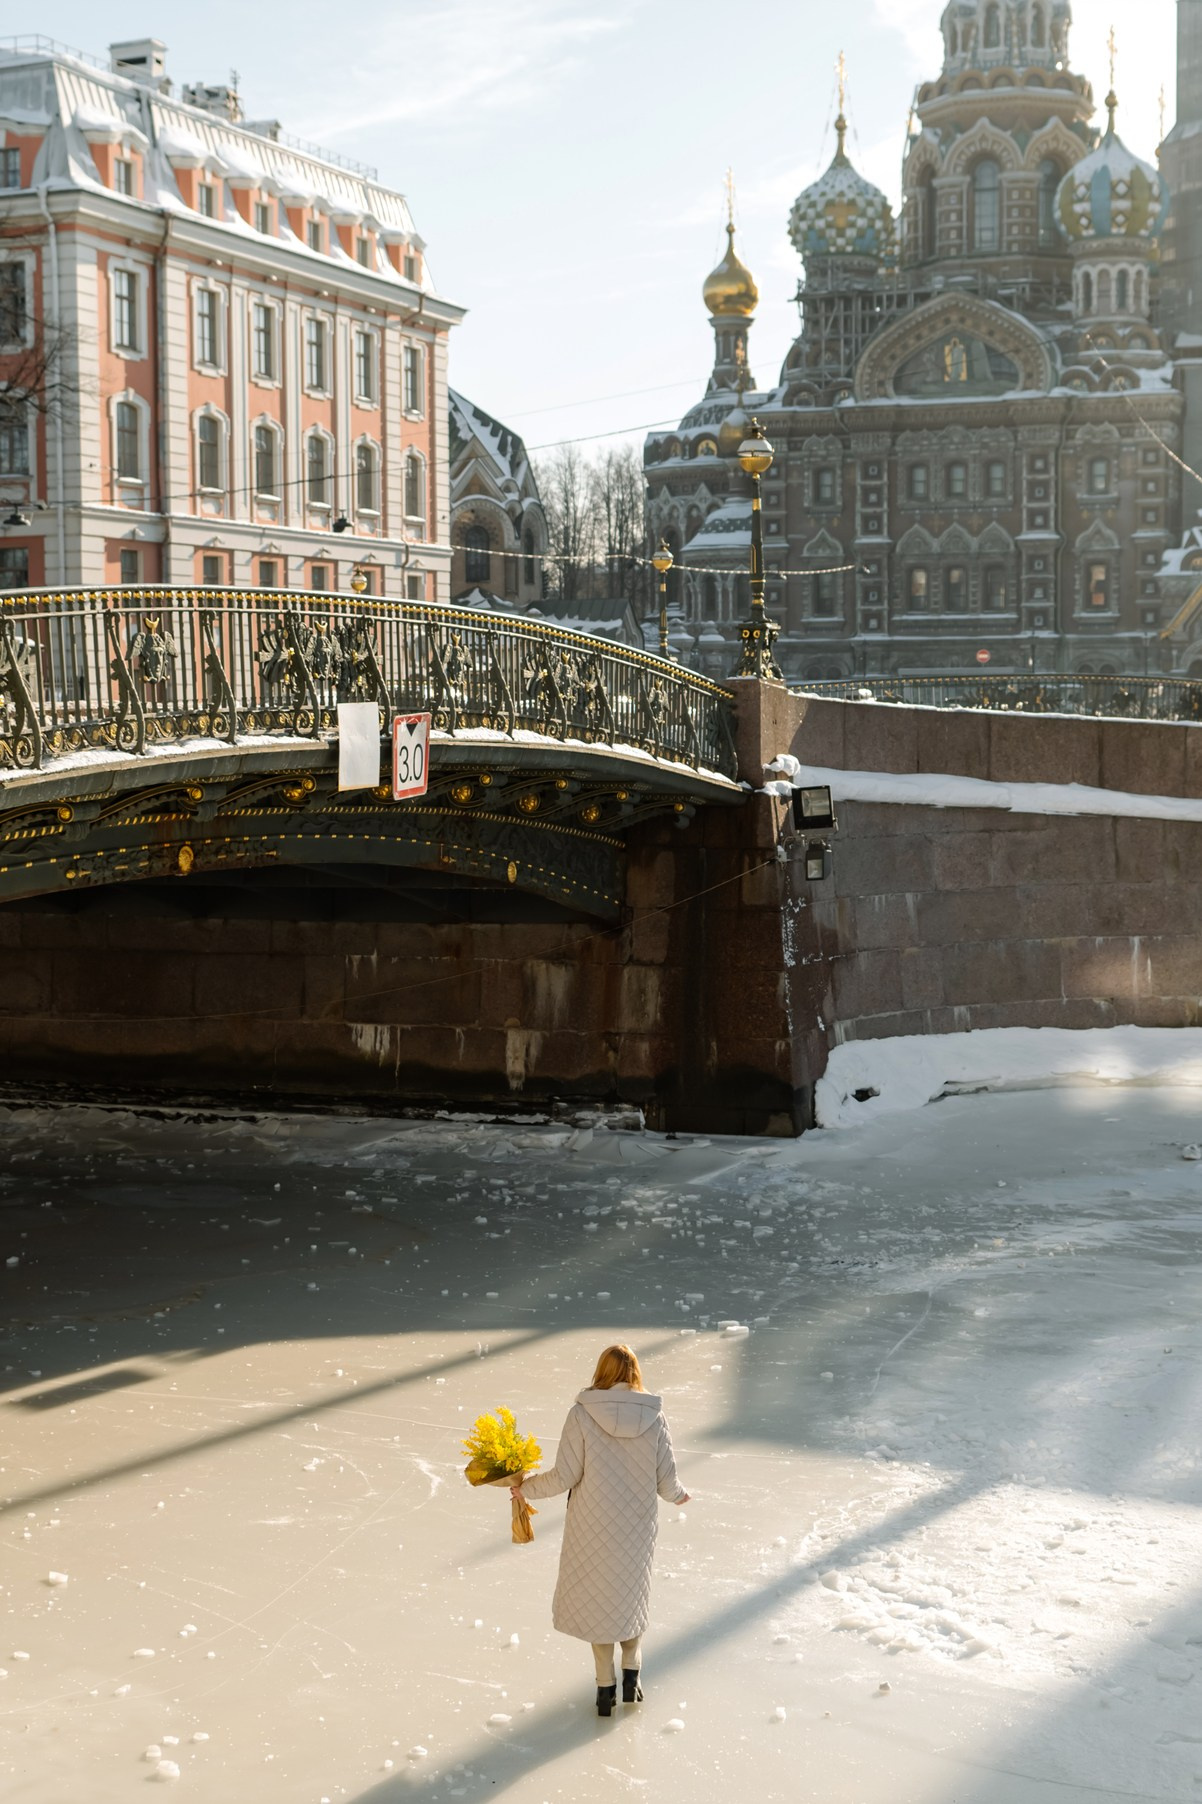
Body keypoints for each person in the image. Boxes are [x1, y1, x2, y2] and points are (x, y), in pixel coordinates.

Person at [511, 1344, 690, 1718]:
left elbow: (565, 1476)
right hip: (637, 1527)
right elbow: (666, 1480)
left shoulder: (582, 1414)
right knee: (630, 1599)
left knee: (599, 1604)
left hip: (590, 1525)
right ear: (635, 1373)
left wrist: (524, 1487)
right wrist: (680, 1496)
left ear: (602, 1371)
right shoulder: (654, 1417)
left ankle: (604, 1688)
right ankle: (632, 1675)